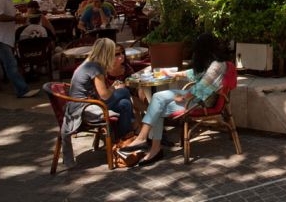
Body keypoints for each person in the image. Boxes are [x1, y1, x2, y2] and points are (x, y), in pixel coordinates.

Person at [120, 33, 232, 167]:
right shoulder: (214, 62)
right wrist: (172, 74)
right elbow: (194, 73)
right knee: (157, 98)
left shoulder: (217, 66)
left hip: (201, 102)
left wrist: (183, 97)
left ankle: (151, 146)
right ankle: (145, 141)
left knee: (156, 107)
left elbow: (202, 88)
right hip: (196, 96)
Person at [63, 38, 134, 167]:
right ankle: (126, 137)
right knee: (124, 92)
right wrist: (114, 87)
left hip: (82, 105)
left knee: (125, 103)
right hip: (85, 109)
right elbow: (105, 95)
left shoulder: (88, 63)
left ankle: (122, 140)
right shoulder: (96, 68)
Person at [0, 0, 39, 98]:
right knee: (11, 64)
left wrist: (16, 16)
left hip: (5, 37)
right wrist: (15, 19)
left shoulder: (8, 0)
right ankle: (22, 90)